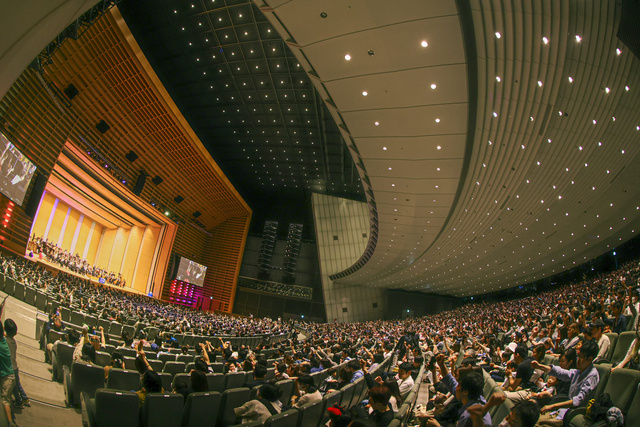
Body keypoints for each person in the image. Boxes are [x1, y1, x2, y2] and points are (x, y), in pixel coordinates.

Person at [531, 340, 600, 426]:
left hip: (572, 414)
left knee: (537, 424)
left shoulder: (592, 376)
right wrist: (539, 366)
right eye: (578, 356)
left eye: (581, 357)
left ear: (589, 359)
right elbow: (560, 372)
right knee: (532, 420)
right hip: (562, 411)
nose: (577, 360)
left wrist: (553, 406)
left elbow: (578, 401)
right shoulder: (578, 371)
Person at [3, 320, 28, 409]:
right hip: (15, 367)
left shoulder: (5, 341)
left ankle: (19, 401)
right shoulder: (13, 341)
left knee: (14, 388)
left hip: (10, 369)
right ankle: (24, 397)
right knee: (18, 384)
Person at [0, 320, 15, 426]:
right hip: (11, 376)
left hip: (7, 379)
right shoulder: (4, 340)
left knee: (5, 401)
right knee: (8, 399)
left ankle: (10, 422)